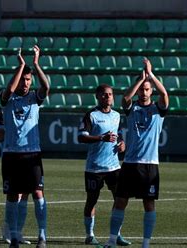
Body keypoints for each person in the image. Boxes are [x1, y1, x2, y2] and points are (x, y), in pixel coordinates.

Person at [100, 58, 169, 248]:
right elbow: (125, 99)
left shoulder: (157, 109)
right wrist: (141, 78)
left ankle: (146, 244)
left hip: (150, 165)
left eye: (147, 89)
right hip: (130, 164)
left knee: (149, 204)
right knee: (120, 201)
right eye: (142, 89)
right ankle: (112, 241)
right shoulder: (133, 108)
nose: (144, 92)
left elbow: (165, 95)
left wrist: (151, 75)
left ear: (151, 91)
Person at [0, 45, 49, 248]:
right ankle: (13, 236)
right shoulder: (8, 98)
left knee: (38, 194)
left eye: (29, 80)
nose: (26, 83)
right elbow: (8, 90)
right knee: (12, 195)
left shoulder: (34, 98)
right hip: (11, 154)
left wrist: (36, 64)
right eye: (24, 79)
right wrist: (20, 66)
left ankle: (42, 236)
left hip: (32, 154)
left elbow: (45, 88)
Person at [77, 84, 131, 246]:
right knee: (92, 200)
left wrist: (122, 144)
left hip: (114, 166)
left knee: (120, 199)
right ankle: (90, 235)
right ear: (98, 97)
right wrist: (101, 138)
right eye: (104, 95)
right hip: (94, 167)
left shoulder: (116, 115)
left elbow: (119, 134)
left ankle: (116, 234)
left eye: (110, 94)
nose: (108, 97)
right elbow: (81, 137)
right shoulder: (91, 115)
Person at [0, 109, 31, 245]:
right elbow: (0, 135)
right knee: (15, 194)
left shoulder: (27, 109)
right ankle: (8, 230)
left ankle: (18, 232)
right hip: (11, 156)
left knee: (26, 193)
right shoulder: (2, 112)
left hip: (28, 154)